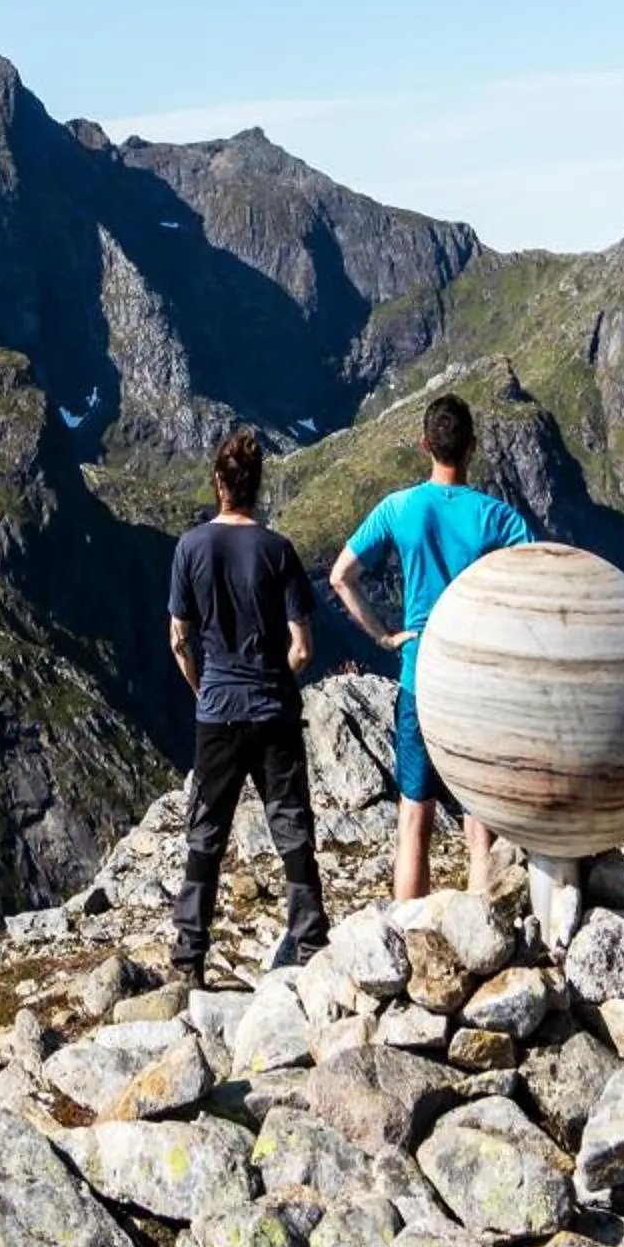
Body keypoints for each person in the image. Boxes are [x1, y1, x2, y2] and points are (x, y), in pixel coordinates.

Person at [328, 392, 535, 899]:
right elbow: (537, 583)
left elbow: (340, 577)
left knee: (413, 819)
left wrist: (383, 636)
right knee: (479, 822)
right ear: (472, 447)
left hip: (420, 677)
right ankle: (481, 922)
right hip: (476, 685)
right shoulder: (498, 518)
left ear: (425, 444)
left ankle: (407, 928)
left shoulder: (399, 508)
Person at [166, 428, 326, 985]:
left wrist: (204, 689)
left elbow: (179, 638)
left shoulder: (190, 548)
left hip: (217, 710)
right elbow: (302, 647)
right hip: (273, 708)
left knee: (206, 832)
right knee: (291, 827)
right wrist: (275, 680)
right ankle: (312, 946)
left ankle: (188, 959)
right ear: (257, 485)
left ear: (218, 482)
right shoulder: (278, 550)